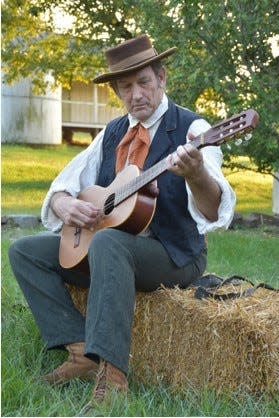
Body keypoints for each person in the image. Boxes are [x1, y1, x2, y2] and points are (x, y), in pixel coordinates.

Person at [9, 34, 235, 405]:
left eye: (143, 82)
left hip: (173, 254)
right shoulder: (112, 133)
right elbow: (63, 185)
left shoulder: (193, 131)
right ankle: (81, 350)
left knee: (109, 242)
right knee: (24, 251)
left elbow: (214, 212)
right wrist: (66, 205)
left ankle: (112, 376)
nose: (136, 95)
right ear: (117, 92)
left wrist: (196, 175)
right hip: (113, 247)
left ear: (161, 78)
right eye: (125, 88)